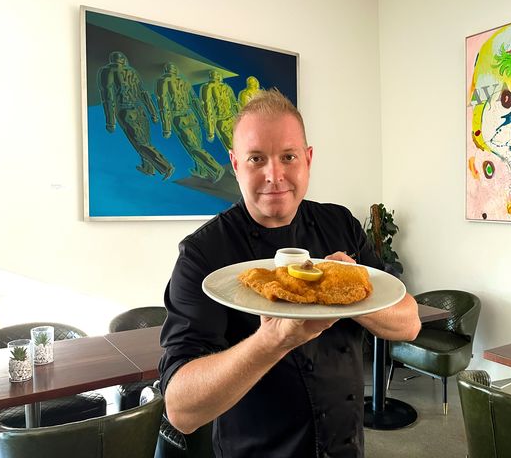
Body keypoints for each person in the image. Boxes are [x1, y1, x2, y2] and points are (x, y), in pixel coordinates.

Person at [159, 89, 421, 458]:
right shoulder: (203, 253)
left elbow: (409, 323)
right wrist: (272, 341)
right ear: (235, 164)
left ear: (308, 159)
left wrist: (347, 292)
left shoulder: (340, 224)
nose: (275, 175)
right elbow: (181, 409)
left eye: (288, 157)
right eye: (256, 159)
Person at [97, 51, 174, 179]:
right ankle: (148, 167)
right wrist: (153, 112)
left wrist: (110, 121)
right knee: (145, 141)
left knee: (140, 144)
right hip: (140, 109)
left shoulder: (107, 71)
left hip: (125, 110)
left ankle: (166, 166)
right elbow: (144, 93)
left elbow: (108, 96)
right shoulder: (132, 72)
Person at [156, 62, 224, 182]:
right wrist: (203, 119)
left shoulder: (163, 81)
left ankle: (216, 168)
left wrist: (166, 127)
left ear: (166, 70)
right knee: (197, 145)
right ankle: (201, 170)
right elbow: (195, 101)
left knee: (192, 148)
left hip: (178, 117)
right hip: (191, 115)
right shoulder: (184, 81)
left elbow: (164, 104)